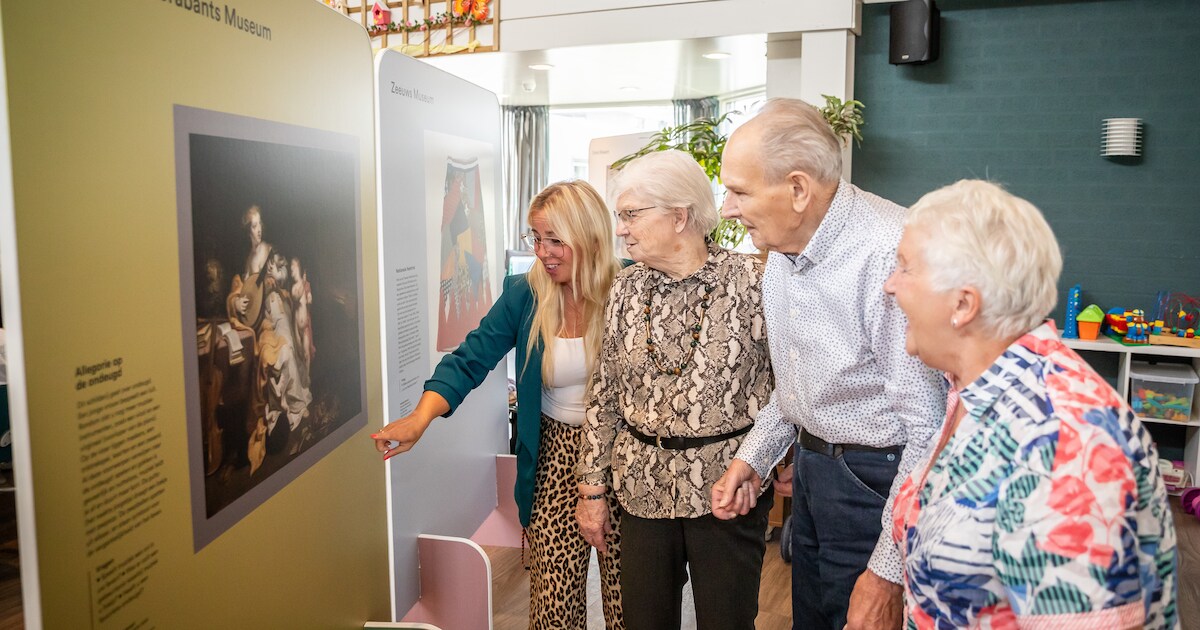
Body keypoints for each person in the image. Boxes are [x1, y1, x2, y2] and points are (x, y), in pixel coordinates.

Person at [883, 179, 1178, 628]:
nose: (889, 285)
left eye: (904, 268)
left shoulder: (1063, 439)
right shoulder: (976, 389)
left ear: (963, 304)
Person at [710, 98, 946, 630]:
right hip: (816, 472)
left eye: (739, 191)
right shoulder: (782, 254)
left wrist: (888, 571)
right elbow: (795, 387)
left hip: (878, 484)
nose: (726, 208)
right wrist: (754, 459)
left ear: (798, 189)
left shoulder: (888, 250)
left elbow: (927, 427)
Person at [372, 180, 625, 630]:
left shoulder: (628, 289)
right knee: (553, 606)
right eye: (537, 238)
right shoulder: (524, 294)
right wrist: (419, 419)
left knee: (629, 603)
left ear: (588, 236)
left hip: (623, 460)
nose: (543, 252)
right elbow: (471, 357)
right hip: (553, 455)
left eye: (555, 240)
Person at [576, 149, 776, 629]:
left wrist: (772, 463)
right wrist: (592, 489)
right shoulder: (625, 288)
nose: (620, 228)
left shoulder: (754, 281)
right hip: (641, 488)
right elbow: (604, 392)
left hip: (727, 489)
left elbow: (787, 386)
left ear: (680, 216)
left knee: (726, 621)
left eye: (630, 215)